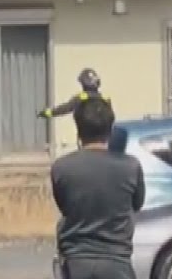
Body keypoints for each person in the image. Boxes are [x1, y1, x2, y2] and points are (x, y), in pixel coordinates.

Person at [50, 97, 146, 279]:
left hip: (76, 260)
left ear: (78, 131)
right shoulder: (130, 166)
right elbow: (137, 205)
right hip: (117, 259)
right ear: (110, 131)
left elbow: (64, 206)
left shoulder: (61, 167)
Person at [39, 68, 110, 119]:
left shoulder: (81, 97)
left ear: (83, 83)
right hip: (104, 136)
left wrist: (48, 113)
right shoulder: (105, 98)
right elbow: (110, 117)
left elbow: (65, 108)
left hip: (86, 134)